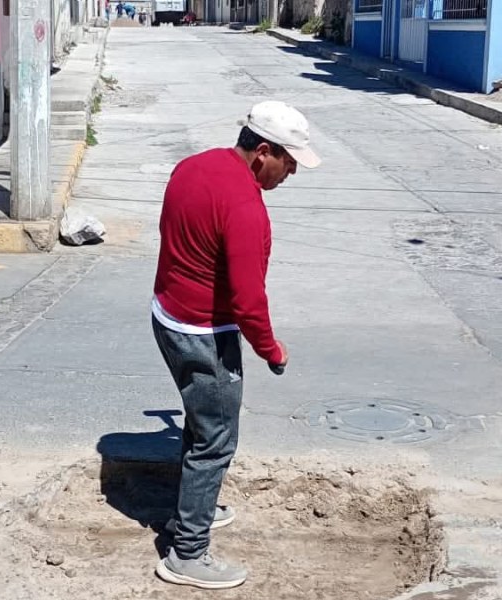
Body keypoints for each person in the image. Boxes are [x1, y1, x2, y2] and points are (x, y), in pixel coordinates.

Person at [151, 101, 320, 589]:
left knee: (200, 424)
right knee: (216, 437)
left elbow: (172, 237)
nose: (291, 172)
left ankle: (193, 510)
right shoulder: (246, 207)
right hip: (205, 333)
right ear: (262, 151)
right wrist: (272, 351)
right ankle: (187, 552)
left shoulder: (193, 166)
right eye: (288, 161)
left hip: (168, 315)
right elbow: (249, 302)